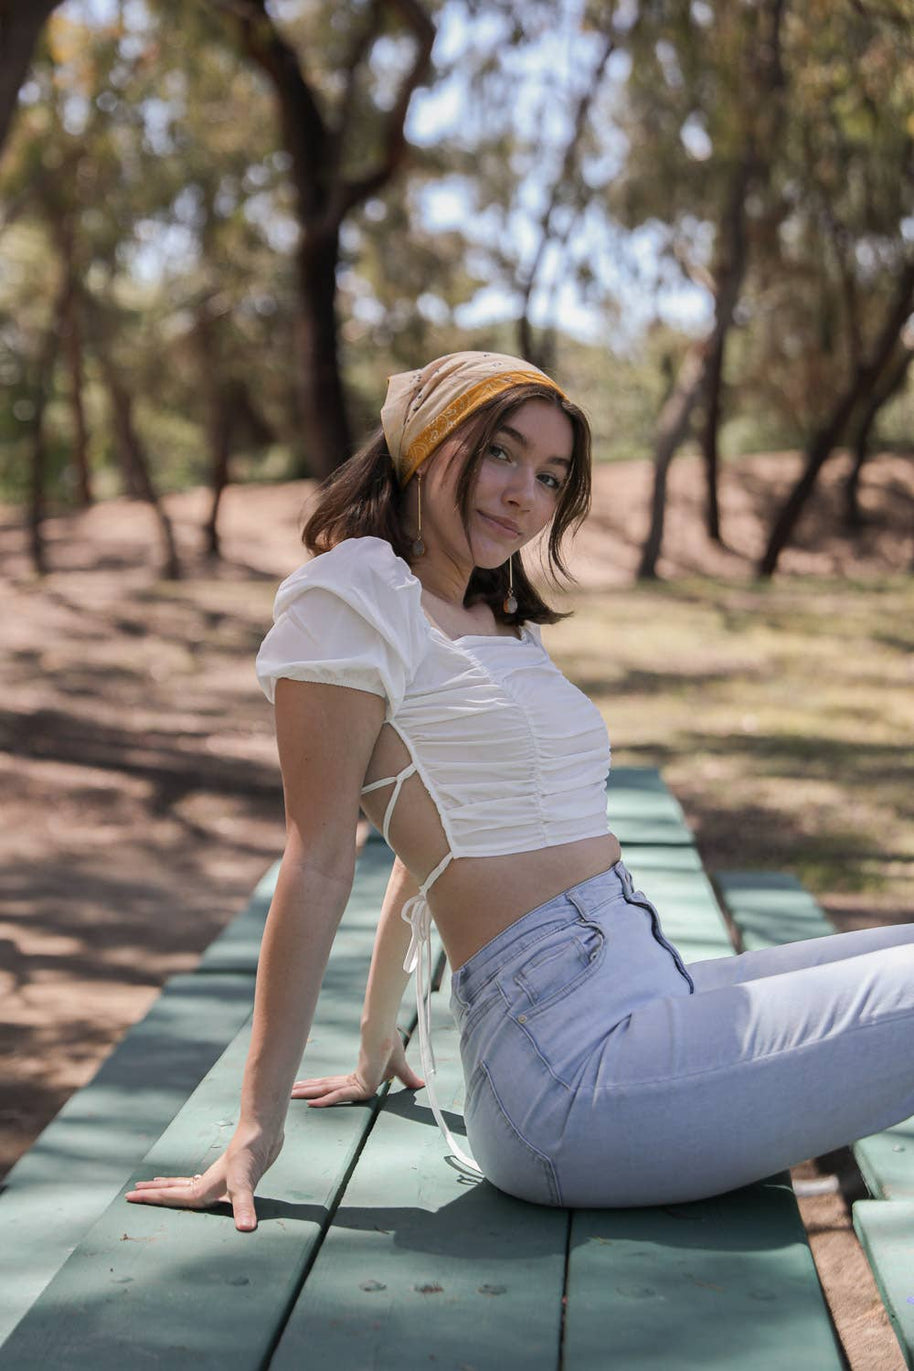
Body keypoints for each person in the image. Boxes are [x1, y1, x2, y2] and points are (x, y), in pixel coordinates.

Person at [126, 349, 914, 1230]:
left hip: (648, 985)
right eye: (500, 454)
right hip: (567, 1068)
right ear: (424, 446)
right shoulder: (348, 596)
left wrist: (378, 1039)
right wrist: (254, 1131)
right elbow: (318, 861)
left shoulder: (492, 618)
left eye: (550, 476)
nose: (523, 494)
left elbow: (424, 850)